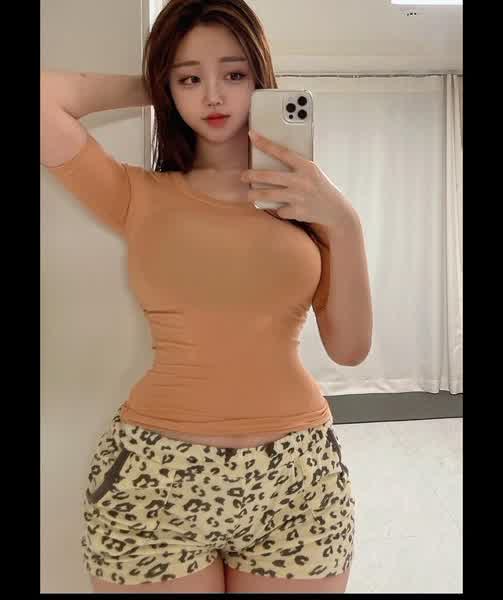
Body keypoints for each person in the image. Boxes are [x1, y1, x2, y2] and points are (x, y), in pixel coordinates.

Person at [41, 0, 372, 593]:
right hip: (156, 478)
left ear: (261, 80)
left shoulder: (310, 204)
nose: (213, 96)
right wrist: (158, 81)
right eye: (190, 79)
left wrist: (344, 223)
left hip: (297, 478)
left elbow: (349, 350)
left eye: (234, 74)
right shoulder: (138, 194)